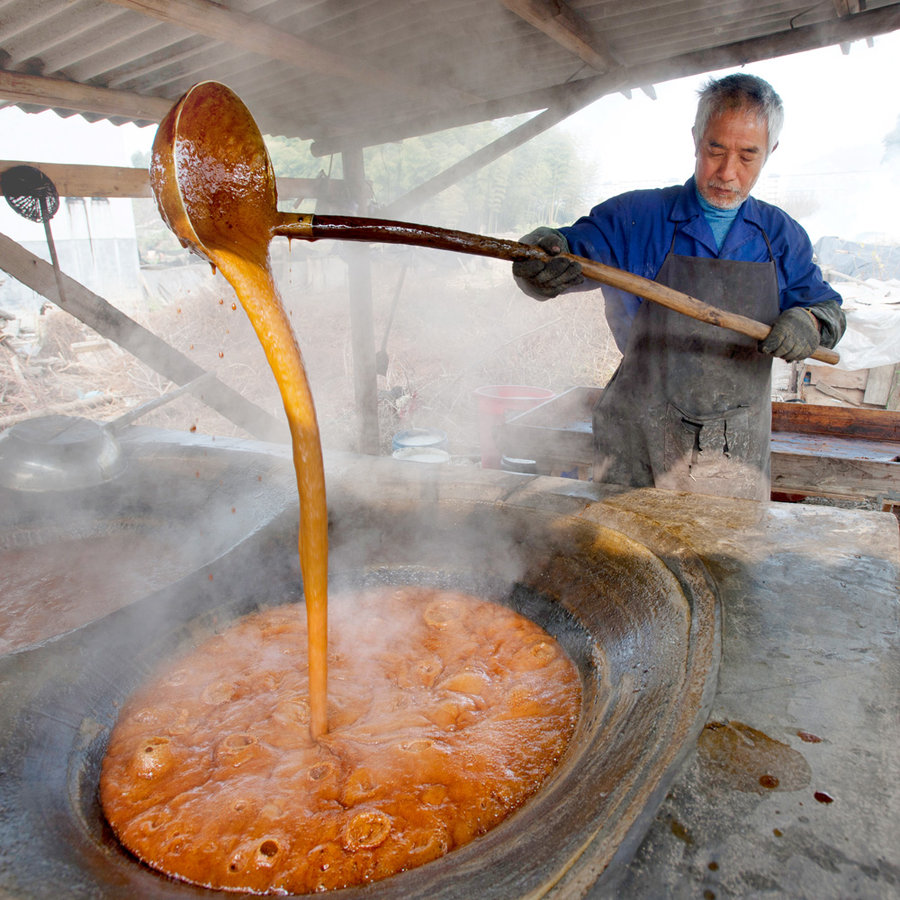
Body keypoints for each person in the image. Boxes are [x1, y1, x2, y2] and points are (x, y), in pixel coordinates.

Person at [512, 73, 845, 501]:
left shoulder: (781, 236)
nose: (728, 172)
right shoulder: (636, 216)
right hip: (636, 444)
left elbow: (825, 308)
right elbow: (571, 254)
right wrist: (543, 259)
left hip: (734, 451)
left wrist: (809, 320)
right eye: (715, 149)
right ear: (695, 138)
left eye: (748, 156)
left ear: (770, 152)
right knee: (624, 560)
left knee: (729, 560)